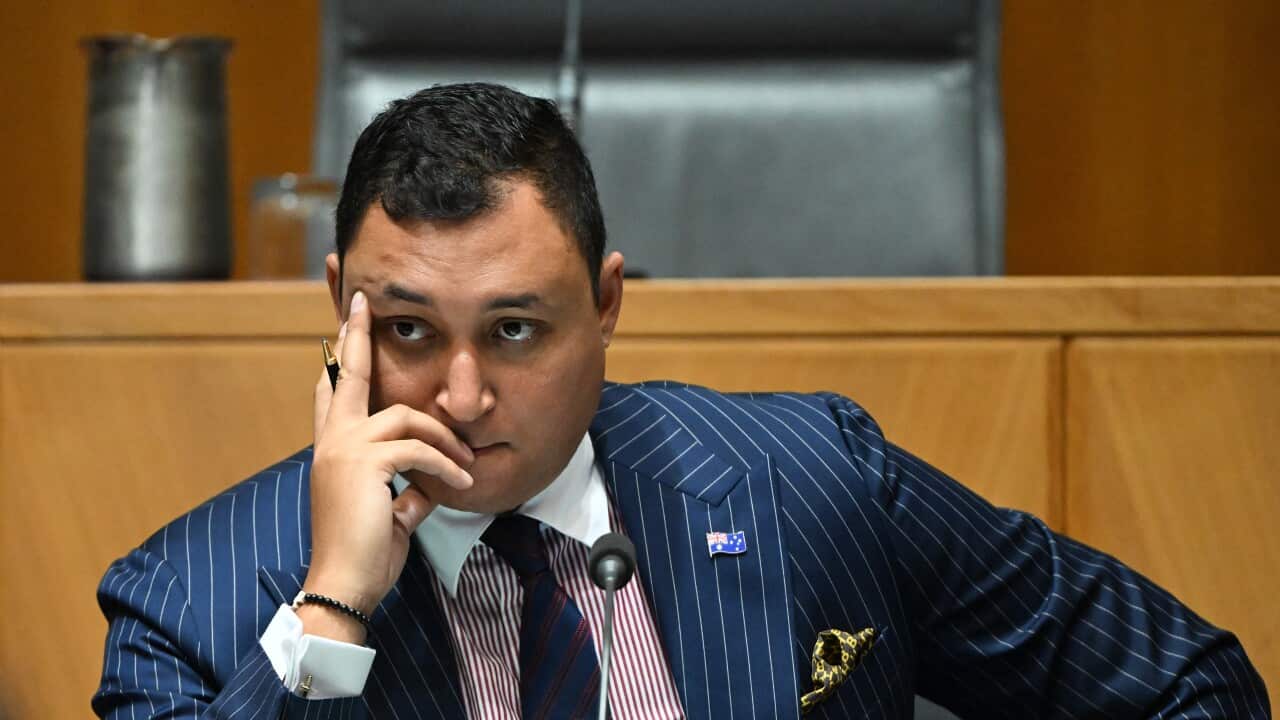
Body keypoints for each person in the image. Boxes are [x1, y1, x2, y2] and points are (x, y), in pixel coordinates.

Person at [94, 83, 1270, 720]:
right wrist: (334, 610)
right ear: (341, 303)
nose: (460, 393)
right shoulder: (187, 597)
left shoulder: (808, 477)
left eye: (515, 329)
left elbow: (1184, 684)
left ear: (606, 305)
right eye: (406, 331)